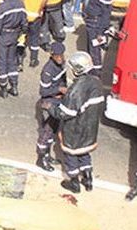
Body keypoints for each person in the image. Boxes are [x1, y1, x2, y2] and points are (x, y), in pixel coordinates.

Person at [42, 51, 104, 193]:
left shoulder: (75, 91)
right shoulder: (96, 82)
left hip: (74, 130)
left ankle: (74, 183)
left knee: (71, 156)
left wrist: (50, 106)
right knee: (84, 153)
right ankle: (88, 180)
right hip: (90, 128)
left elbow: (64, 113)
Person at [0, 0, 27, 98]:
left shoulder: (1, 8)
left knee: (2, 63)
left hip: (3, 37)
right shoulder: (20, 5)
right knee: (12, 62)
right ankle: (14, 86)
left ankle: (3, 88)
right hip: (14, 36)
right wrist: (21, 33)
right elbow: (24, 23)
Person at [35, 42, 67, 172]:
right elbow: (43, 91)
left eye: (61, 55)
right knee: (46, 133)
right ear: (52, 55)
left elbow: (63, 79)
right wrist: (59, 89)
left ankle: (47, 156)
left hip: (58, 102)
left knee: (53, 131)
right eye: (57, 56)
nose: (60, 58)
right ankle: (41, 159)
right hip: (49, 104)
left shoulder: (61, 65)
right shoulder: (48, 70)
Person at [83, 0, 112, 77]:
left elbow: (105, 15)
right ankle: (90, 69)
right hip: (90, 22)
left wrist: (101, 32)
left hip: (96, 25)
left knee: (95, 50)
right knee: (90, 48)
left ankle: (97, 73)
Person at [20, 0, 48, 67]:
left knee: (22, 37)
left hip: (26, 14)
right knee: (34, 37)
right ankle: (33, 59)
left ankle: (20, 61)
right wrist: (40, 9)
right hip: (36, 15)